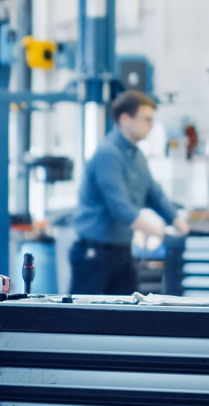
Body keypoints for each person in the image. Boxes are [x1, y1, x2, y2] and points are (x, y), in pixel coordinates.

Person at [71, 90, 189, 295]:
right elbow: (120, 206)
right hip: (94, 253)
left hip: (122, 250)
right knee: (83, 319)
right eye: (146, 119)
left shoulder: (136, 155)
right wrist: (158, 231)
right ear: (125, 119)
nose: (151, 125)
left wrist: (176, 220)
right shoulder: (108, 154)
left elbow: (153, 193)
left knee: (126, 316)